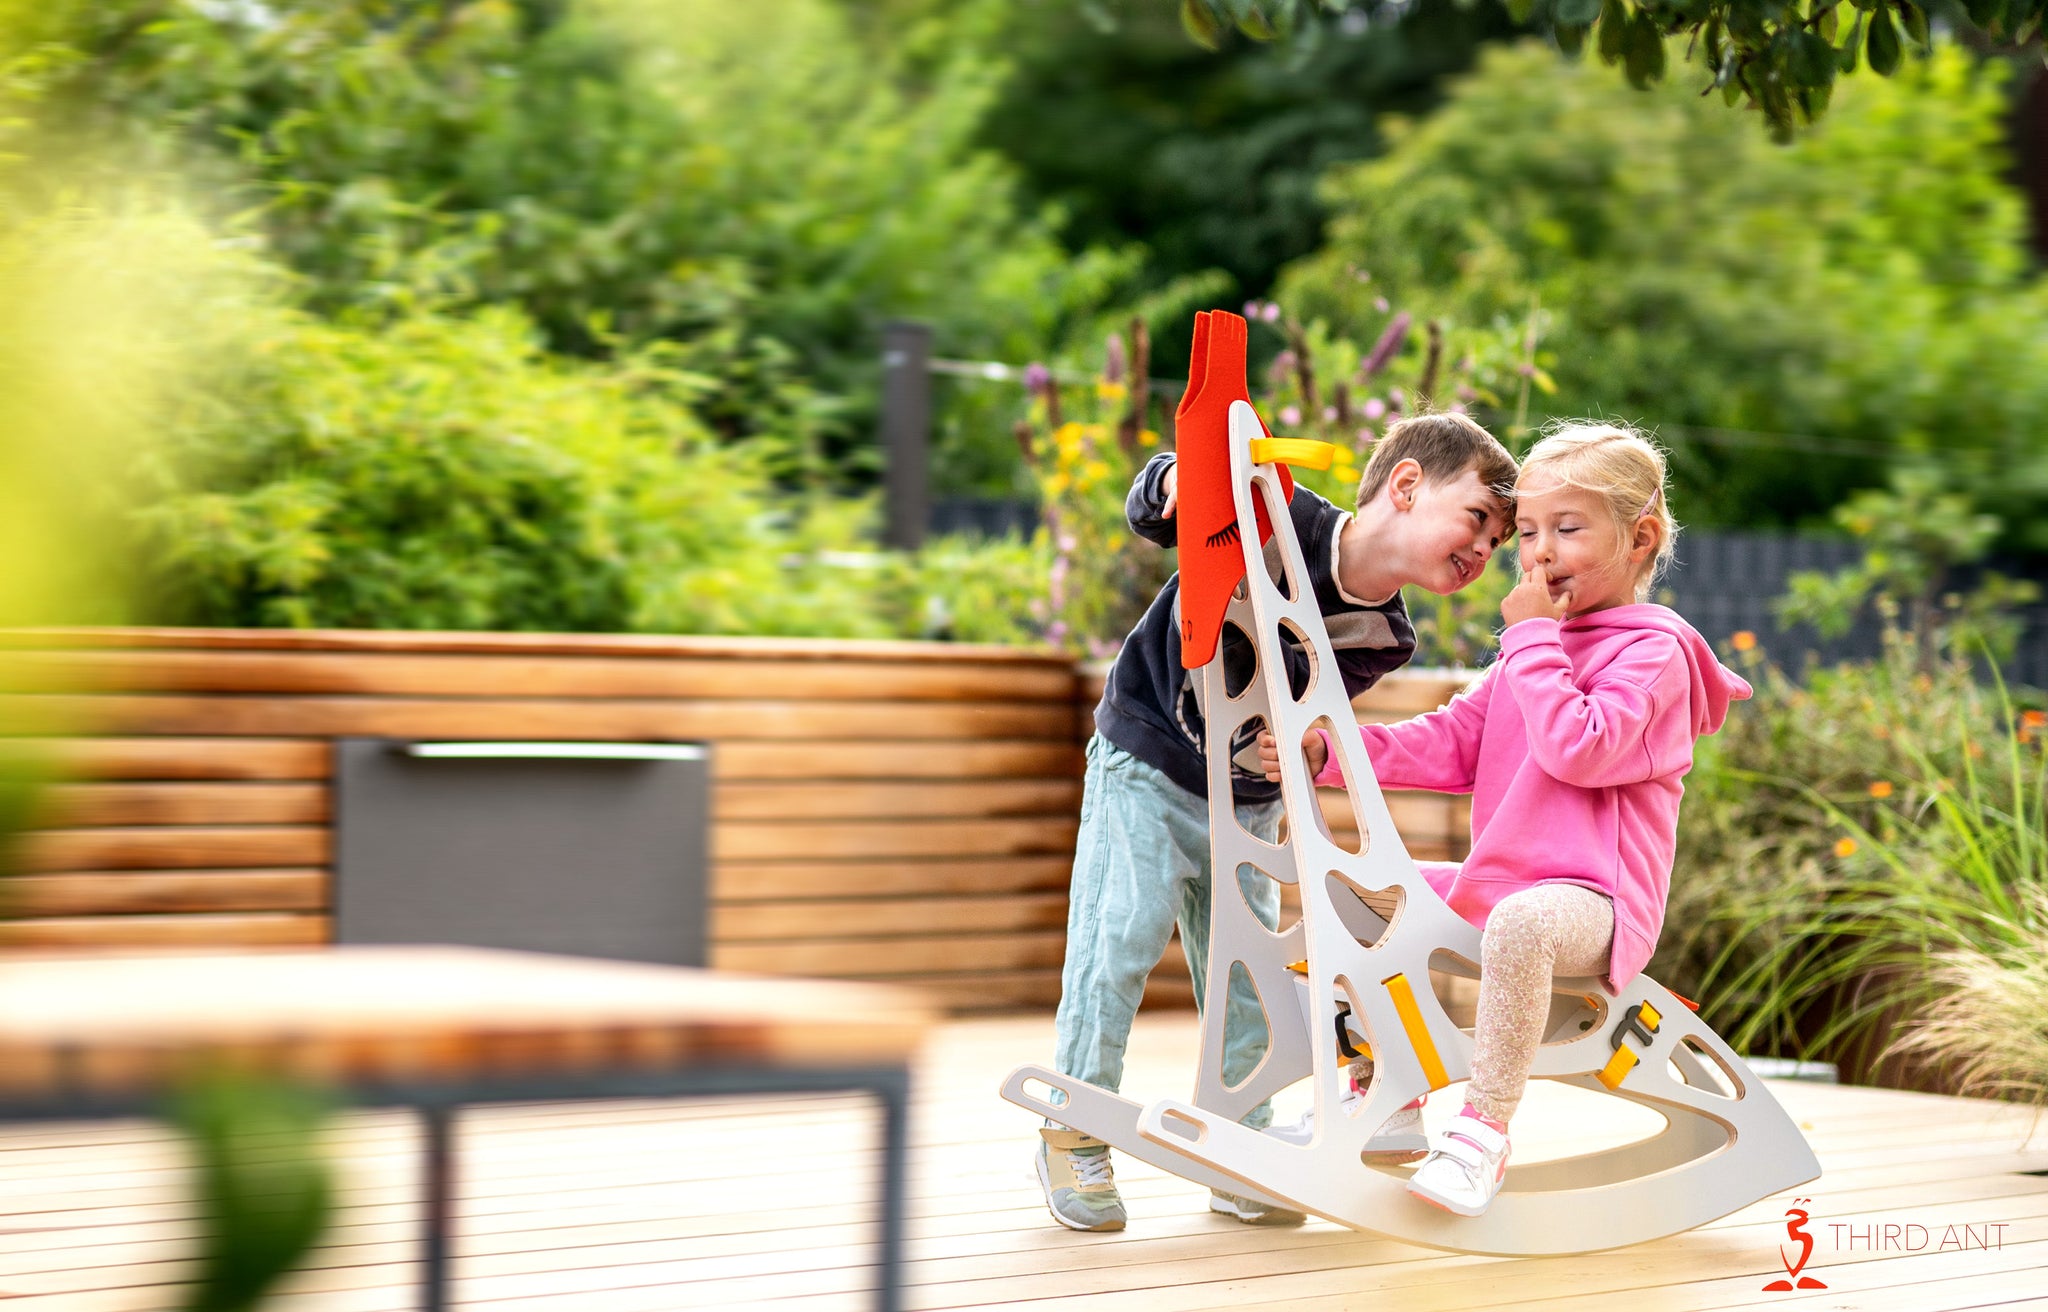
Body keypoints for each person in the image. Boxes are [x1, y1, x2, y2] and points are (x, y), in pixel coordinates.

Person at [1256, 421, 1751, 1219]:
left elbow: (1580, 750)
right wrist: (1331, 755)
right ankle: (1387, 1094)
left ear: (1640, 538)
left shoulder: (1656, 654)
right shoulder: (1537, 649)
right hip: (1502, 884)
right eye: (1526, 533)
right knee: (1346, 887)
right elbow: (1452, 742)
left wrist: (1528, 638)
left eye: (1567, 529)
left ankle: (1481, 1133)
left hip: (1596, 902)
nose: (1540, 551)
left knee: (1521, 921)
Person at [1038, 410, 1517, 1233]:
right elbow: (1154, 507)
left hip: (1248, 805)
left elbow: (1301, 724)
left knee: (1248, 978)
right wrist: (1184, 486)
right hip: (1149, 760)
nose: (1483, 550)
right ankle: (1073, 1126)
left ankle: (1242, 1143)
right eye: (1477, 518)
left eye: (1497, 544)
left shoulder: (1385, 635)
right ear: (1405, 485)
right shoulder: (1279, 513)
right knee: (1119, 938)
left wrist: (1288, 752)